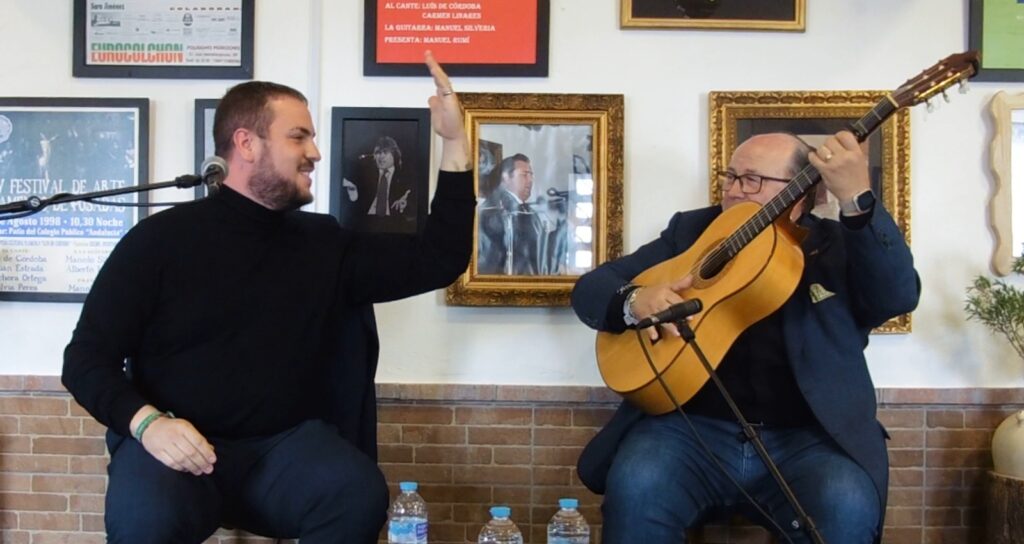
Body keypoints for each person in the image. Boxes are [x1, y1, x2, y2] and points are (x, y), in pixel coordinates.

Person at [61, 51, 473, 544]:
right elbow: (85, 359)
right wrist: (147, 425)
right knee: (143, 520)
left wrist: (453, 141)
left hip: (284, 455)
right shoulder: (158, 242)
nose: (315, 153)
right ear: (246, 144)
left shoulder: (325, 245)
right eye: (298, 136)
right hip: (178, 449)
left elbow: (439, 259)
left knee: (355, 492)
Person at [571, 131, 920, 543]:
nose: (735, 190)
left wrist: (857, 201)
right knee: (637, 485)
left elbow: (897, 296)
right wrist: (636, 299)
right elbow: (592, 288)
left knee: (846, 504)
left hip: (809, 439)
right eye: (731, 176)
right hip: (688, 430)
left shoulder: (839, 245)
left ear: (798, 190)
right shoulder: (692, 230)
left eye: (752, 180)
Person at [477, 153, 548, 275]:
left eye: (531, 175)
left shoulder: (529, 211)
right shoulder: (494, 210)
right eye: (524, 175)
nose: (530, 180)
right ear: (506, 178)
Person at [340, 135, 418, 234]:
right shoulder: (364, 175)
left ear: (394, 154)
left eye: (385, 152)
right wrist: (352, 191)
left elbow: (414, 211)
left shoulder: (406, 177)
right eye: (377, 153)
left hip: (394, 225)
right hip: (366, 225)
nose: (381, 156)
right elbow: (353, 208)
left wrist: (405, 205)